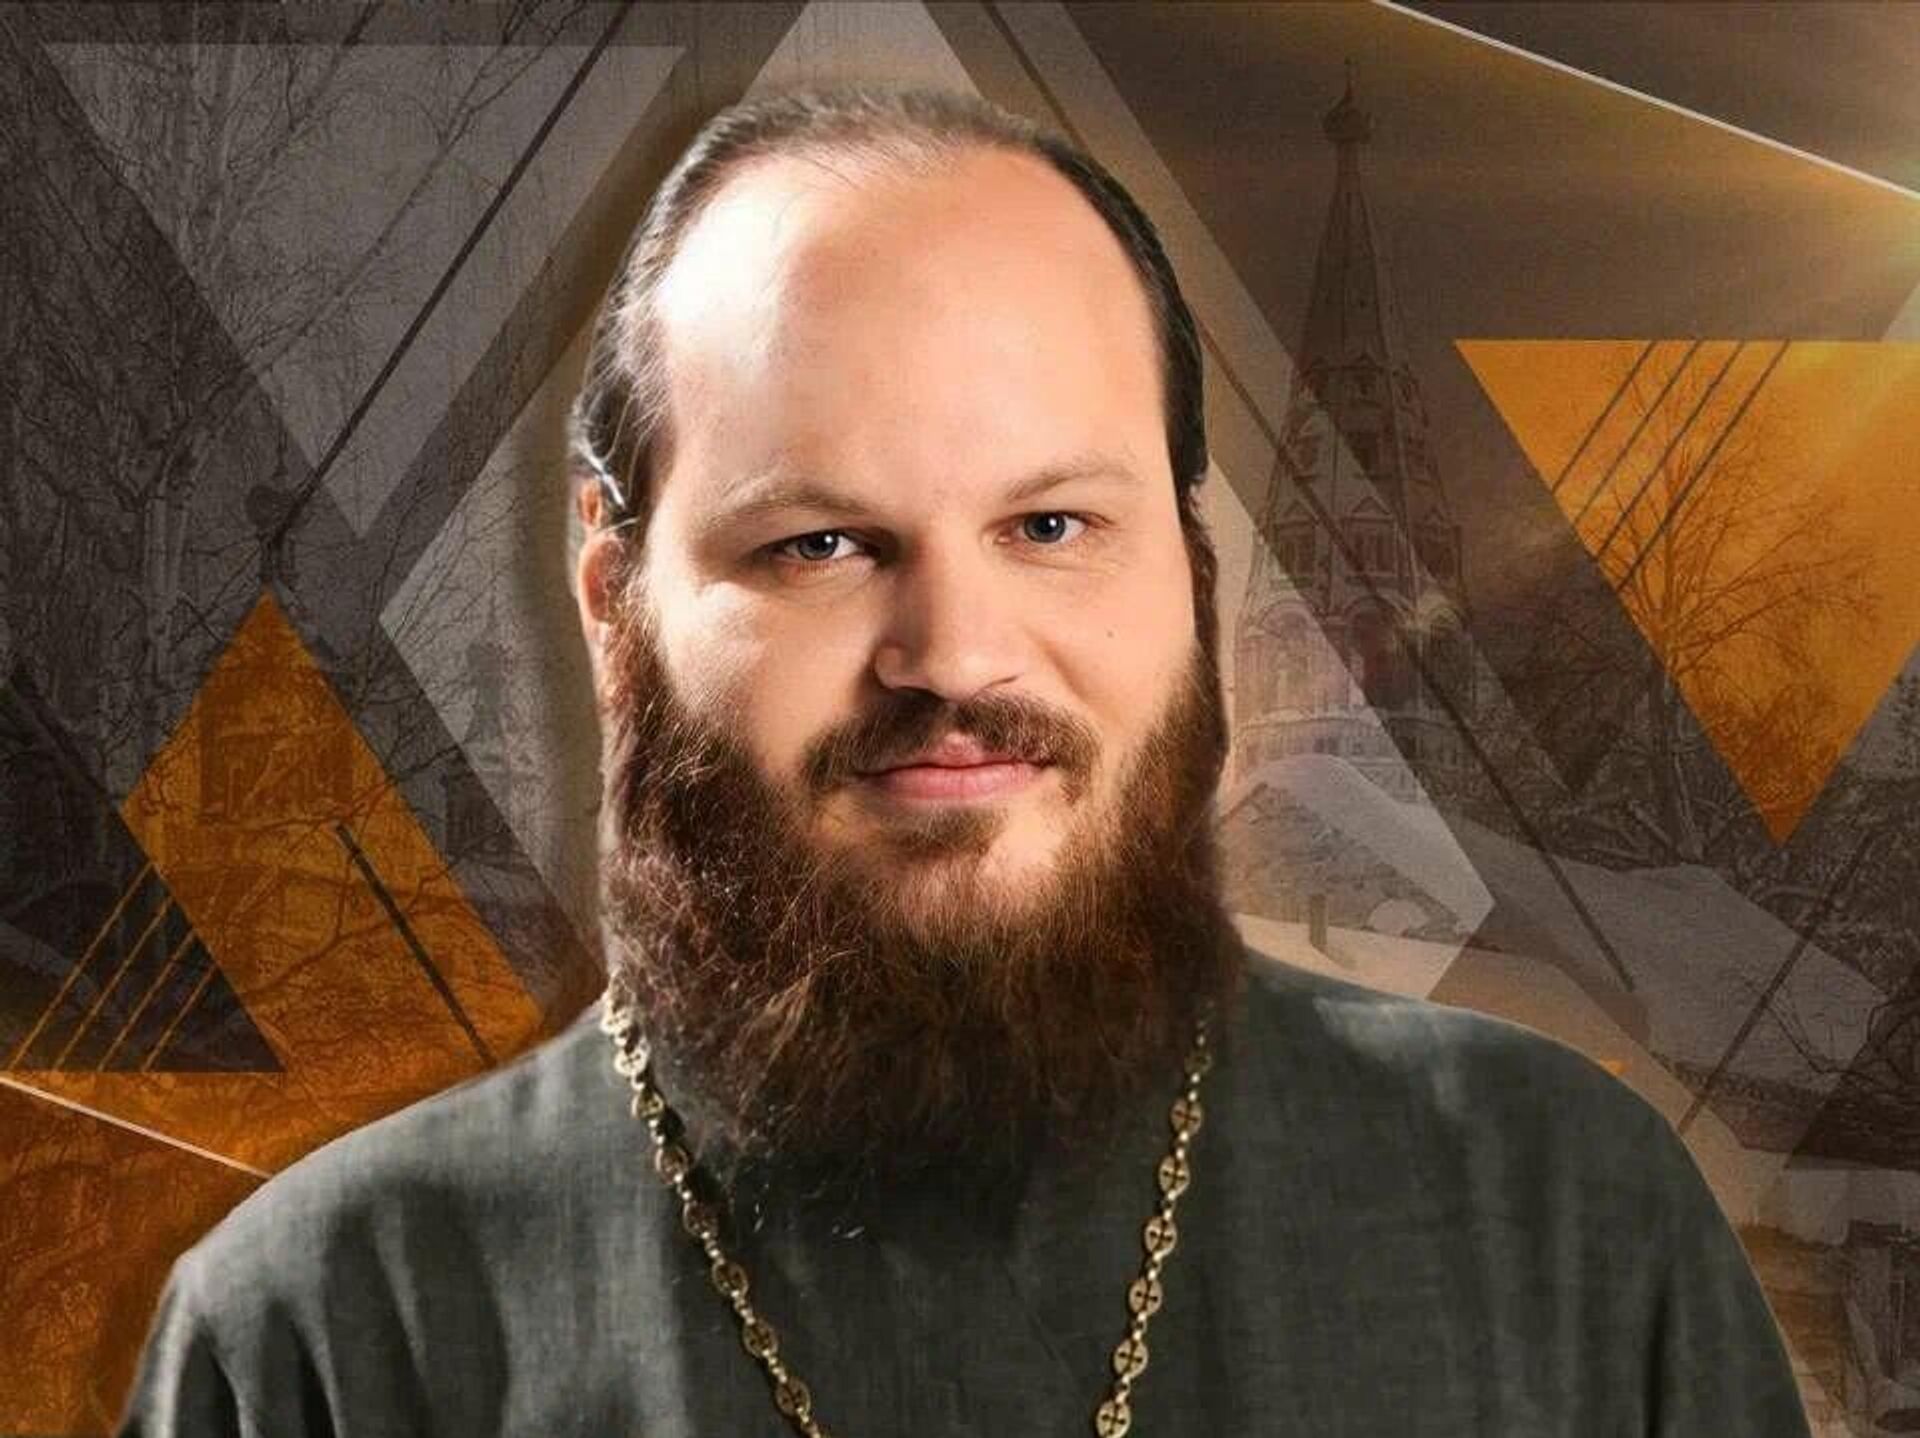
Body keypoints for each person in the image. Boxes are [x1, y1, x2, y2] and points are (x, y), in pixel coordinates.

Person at [117, 85, 1811, 1437]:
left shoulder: (1571, 1232)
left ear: (1194, 579)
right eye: (819, 544)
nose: (954, 655)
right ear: (614, 610)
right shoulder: (324, 1339)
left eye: (1052, 524)